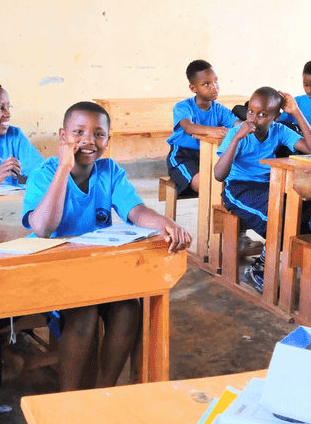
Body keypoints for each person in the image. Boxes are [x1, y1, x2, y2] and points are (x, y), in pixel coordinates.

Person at [24, 102, 192, 391]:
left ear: (108, 141)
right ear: (62, 137)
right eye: (78, 132)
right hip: (55, 271)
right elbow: (43, 227)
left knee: (129, 309)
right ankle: (69, 399)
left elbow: (135, 211)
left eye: (98, 134)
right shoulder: (45, 174)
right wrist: (64, 167)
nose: (88, 140)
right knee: (85, 313)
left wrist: (164, 222)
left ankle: (104, 390)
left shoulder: (109, 171)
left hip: (97, 268)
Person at [214, 87, 311, 293]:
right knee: (279, 216)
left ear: (276, 116)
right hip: (239, 189)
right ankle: (262, 267)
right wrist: (237, 138)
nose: (254, 119)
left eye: (263, 114)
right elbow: (219, 174)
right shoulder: (235, 134)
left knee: (305, 210)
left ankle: (270, 263)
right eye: (251, 112)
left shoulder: (279, 130)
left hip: (269, 186)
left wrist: (296, 112)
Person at [165, 60, 238, 195]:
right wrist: (214, 130)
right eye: (206, 84)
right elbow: (188, 127)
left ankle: (216, 216)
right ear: (193, 88)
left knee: (228, 185)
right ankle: (207, 216)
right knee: (206, 187)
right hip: (183, 157)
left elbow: (238, 125)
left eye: (216, 81)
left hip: (210, 156)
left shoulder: (220, 109)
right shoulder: (183, 107)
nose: (214, 87)